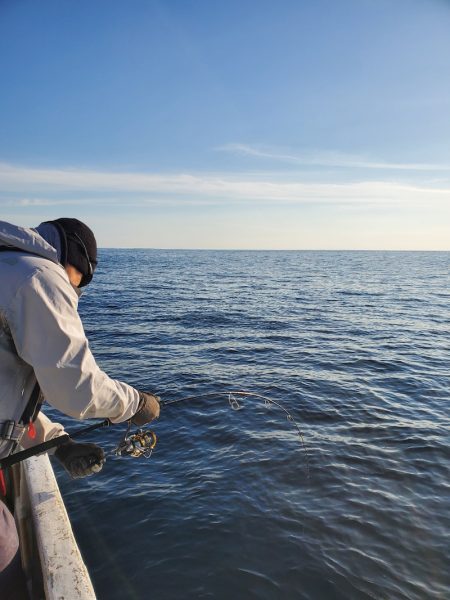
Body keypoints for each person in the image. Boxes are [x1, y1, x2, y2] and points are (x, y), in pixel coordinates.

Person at [0, 218, 160, 598]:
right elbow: (75, 386)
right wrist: (134, 403)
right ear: (77, 261)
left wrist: (59, 441)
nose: (77, 291)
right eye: (81, 282)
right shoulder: (38, 276)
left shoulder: (8, 268)